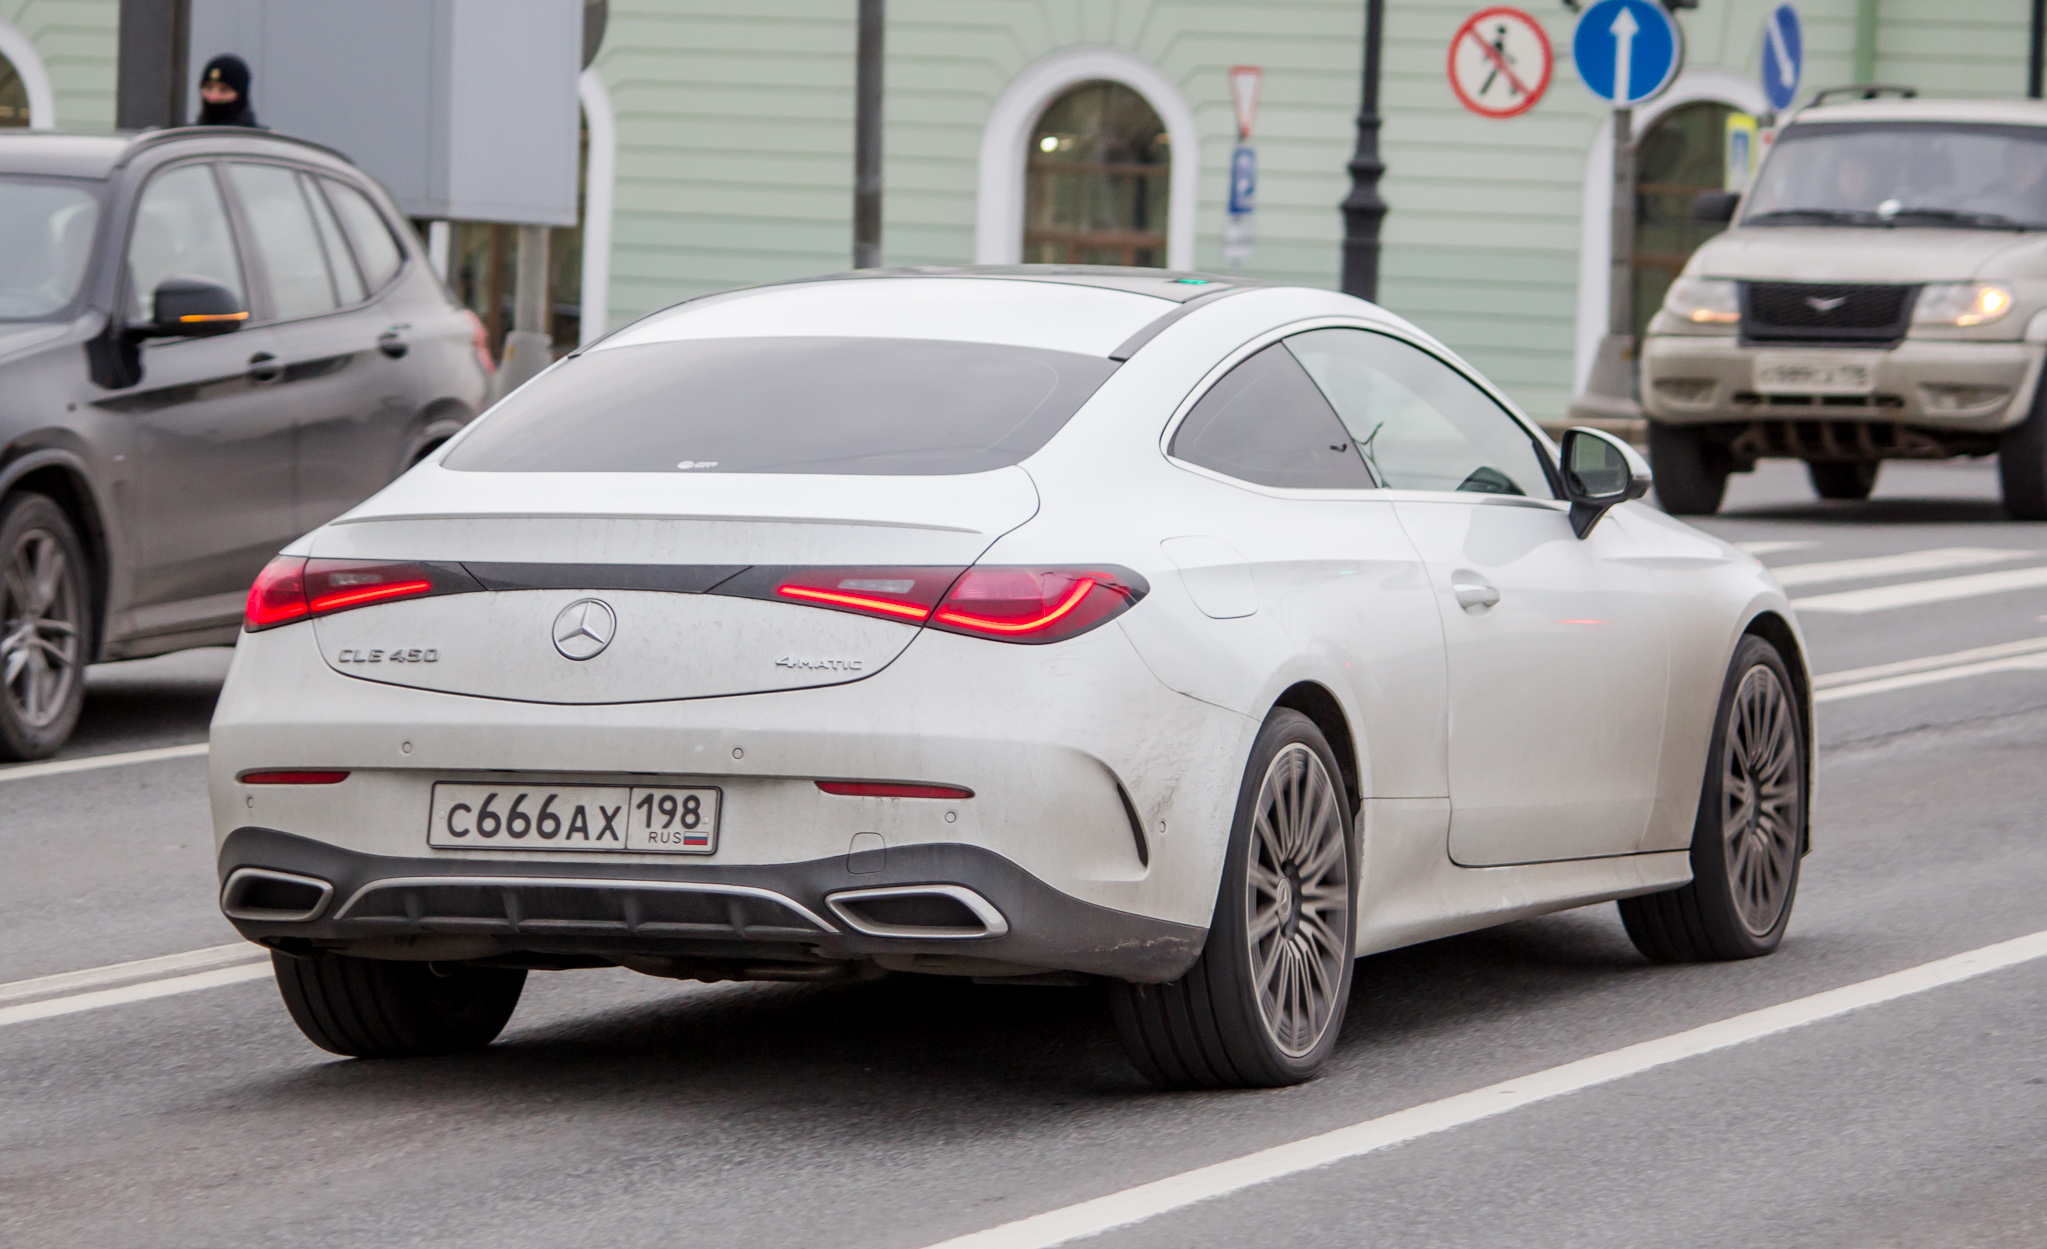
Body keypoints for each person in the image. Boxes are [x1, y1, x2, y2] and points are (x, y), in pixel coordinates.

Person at [194, 54, 261, 128]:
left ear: (240, 95)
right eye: (209, 88)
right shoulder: (190, 136)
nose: (213, 97)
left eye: (223, 90)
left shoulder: (257, 138)